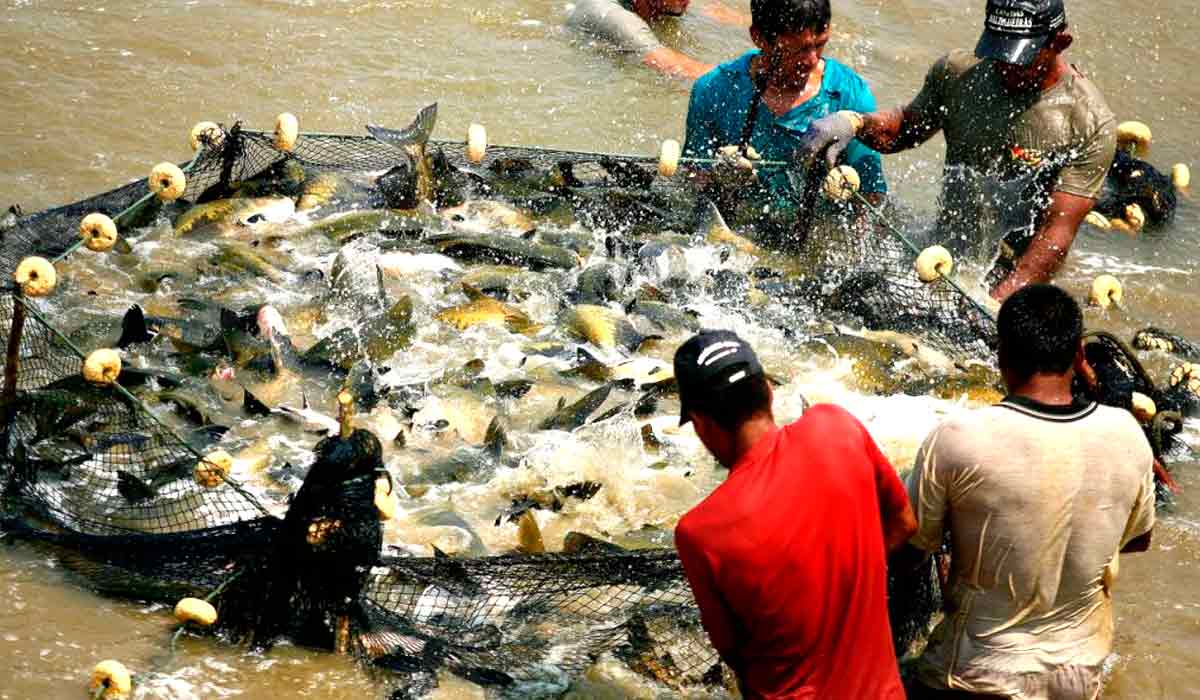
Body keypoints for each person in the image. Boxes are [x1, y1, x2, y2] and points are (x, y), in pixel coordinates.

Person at [902, 284, 1156, 699]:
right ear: (1078, 353)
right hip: (1080, 677)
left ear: (1001, 354)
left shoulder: (958, 437)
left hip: (976, 678)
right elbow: (1140, 538)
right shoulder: (1127, 433)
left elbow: (911, 548)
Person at [796, 0, 1116, 302]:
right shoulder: (958, 73)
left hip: (1014, 278)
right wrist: (854, 122)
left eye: (1020, 57)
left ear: (1059, 43)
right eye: (999, 52)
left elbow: (1055, 234)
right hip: (944, 253)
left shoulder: (1088, 123)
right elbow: (903, 131)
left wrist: (995, 305)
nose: (1005, 66)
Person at [672, 329, 916, 699]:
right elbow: (904, 522)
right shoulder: (837, 427)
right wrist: (853, 580)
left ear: (701, 423)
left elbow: (732, 648)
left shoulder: (699, 532)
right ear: (769, 391)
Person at [682, 0, 887, 206]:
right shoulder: (714, 90)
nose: (812, 60)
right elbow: (690, 182)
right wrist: (718, 177)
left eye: (820, 44)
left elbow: (871, 198)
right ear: (759, 37)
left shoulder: (849, 96)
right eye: (799, 50)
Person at [566, 0, 745, 80]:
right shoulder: (615, 17)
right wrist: (751, 79)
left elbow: (754, 25)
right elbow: (677, 66)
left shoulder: (670, 3)